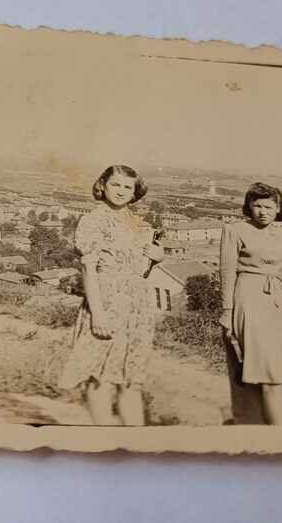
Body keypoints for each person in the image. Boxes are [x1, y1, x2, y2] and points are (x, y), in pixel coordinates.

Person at [57, 165, 165, 425]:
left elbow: (142, 266)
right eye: (116, 185)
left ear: (135, 192)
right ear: (102, 185)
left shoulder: (136, 221)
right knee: (100, 377)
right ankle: (105, 442)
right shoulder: (93, 220)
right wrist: (98, 314)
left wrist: (157, 257)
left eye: (128, 187)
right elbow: (88, 269)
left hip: (137, 305)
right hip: (106, 301)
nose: (121, 191)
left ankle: (135, 448)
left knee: (131, 379)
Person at [219, 182, 282, 425]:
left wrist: (281, 300)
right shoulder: (235, 230)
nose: (262, 211)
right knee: (270, 378)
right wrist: (227, 311)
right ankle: (281, 443)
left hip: (278, 299)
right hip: (249, 299)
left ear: (278, 208)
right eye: (257, 206)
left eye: (269, 206)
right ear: (249, 207)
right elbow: (227, 273)